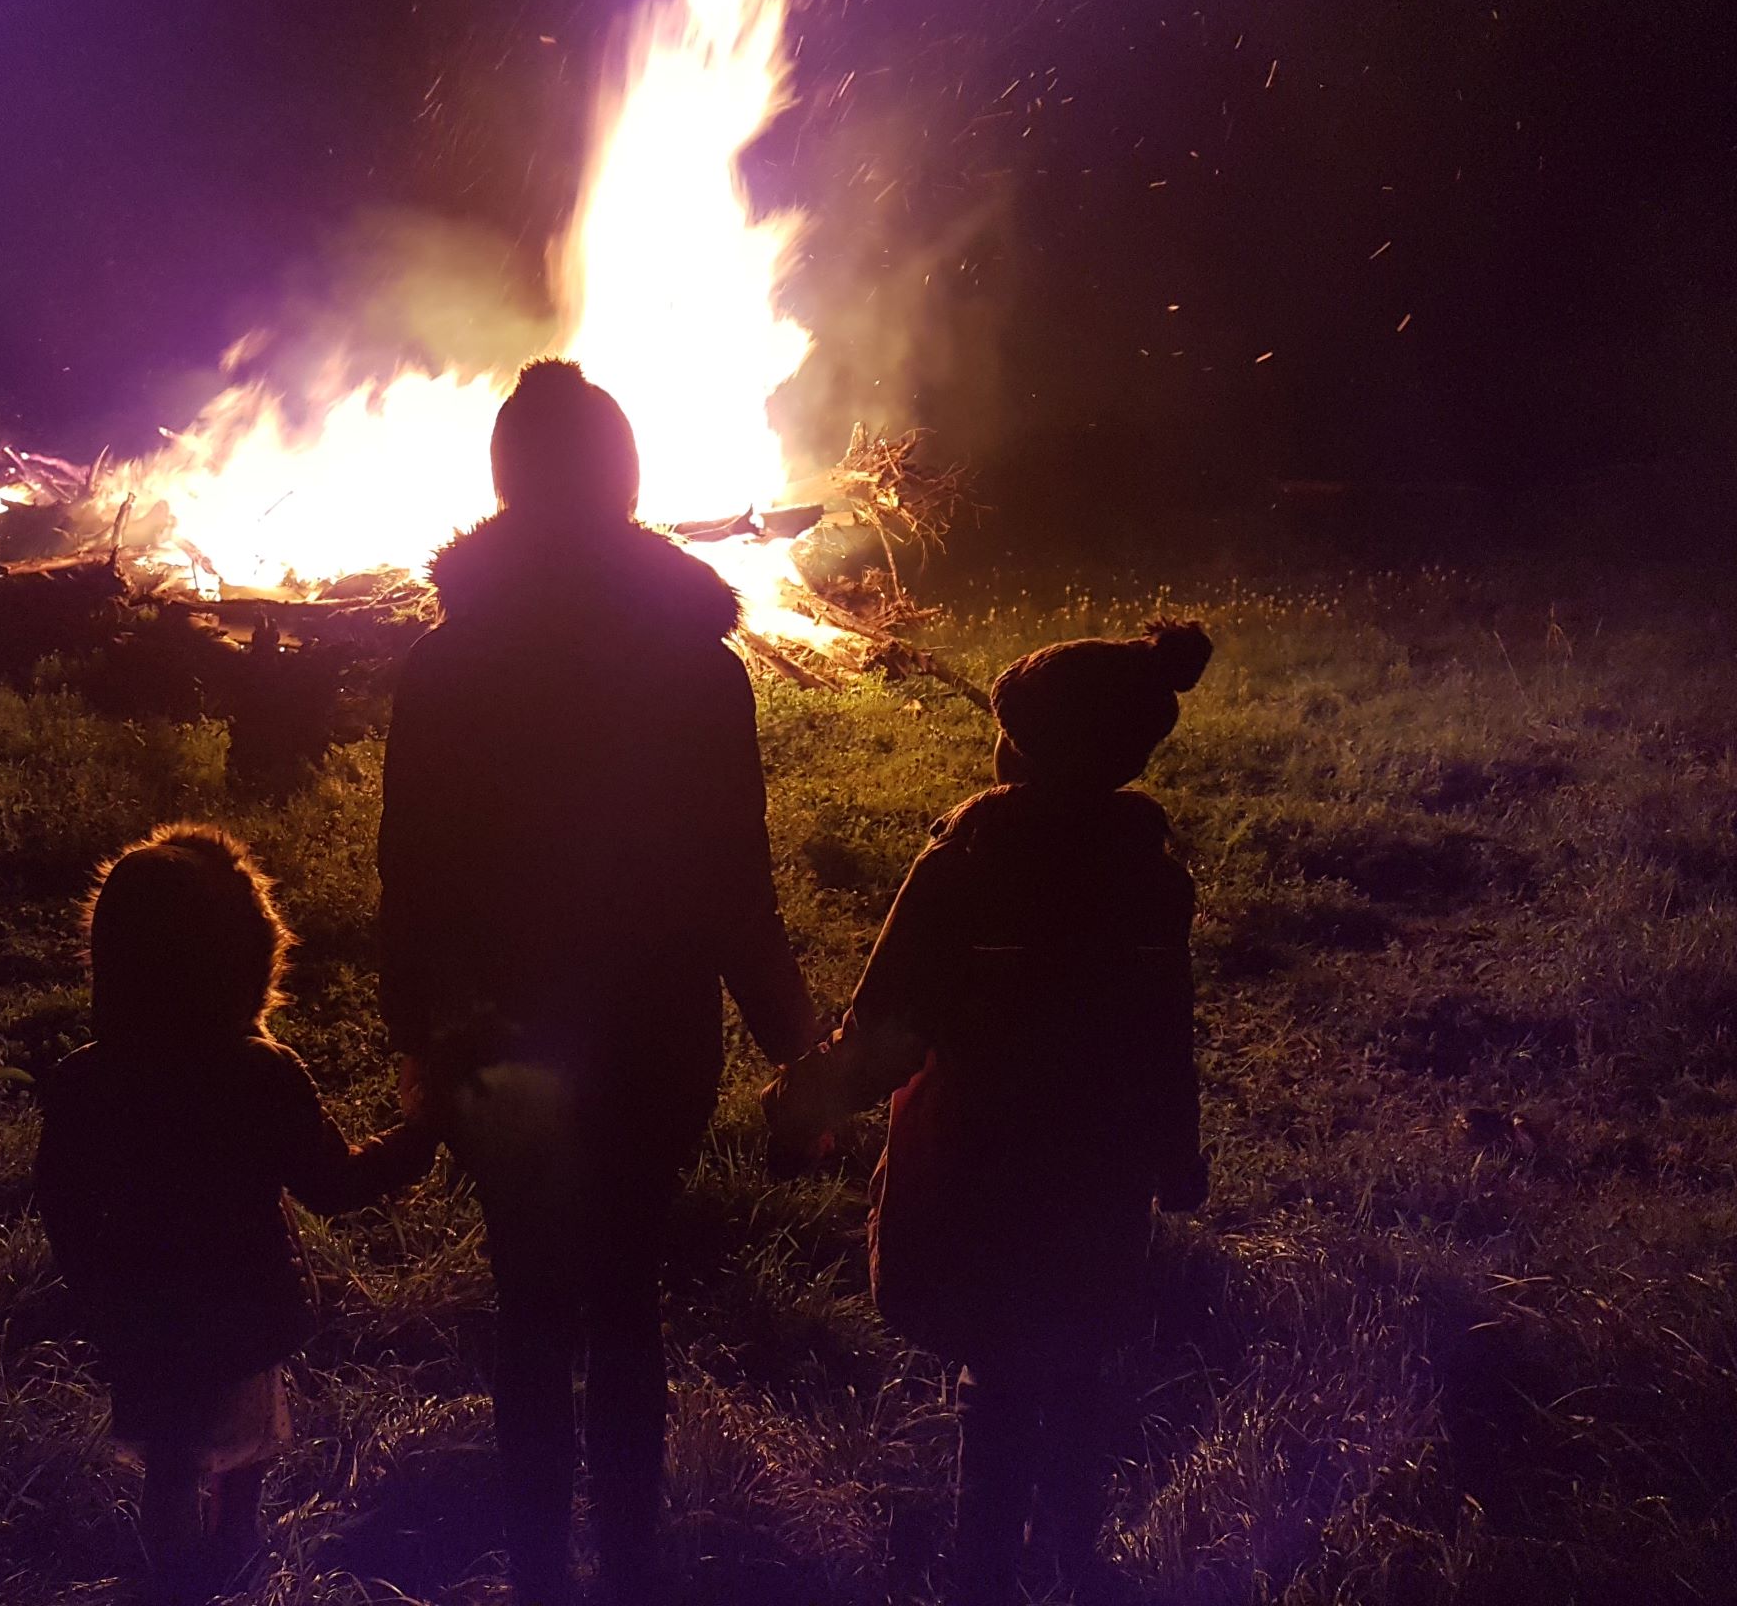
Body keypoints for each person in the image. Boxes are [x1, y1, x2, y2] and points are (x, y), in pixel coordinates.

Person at [378, 358, 816, 1605]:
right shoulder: (695, 668)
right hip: (651, 1037)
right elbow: (739, 884)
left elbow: (408, 879)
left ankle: (536, 1571)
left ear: (504, 487)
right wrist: (800, 1047)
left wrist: (426, 1035)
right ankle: (626, 1564)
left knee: (528, 1303)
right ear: (628, 484)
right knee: (628, 1298)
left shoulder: (445, 667)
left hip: (503, 1037)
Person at [765, 621, 1214, 1603]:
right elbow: (1162, 1030)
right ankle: (1075, 1554)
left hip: (975, 1160)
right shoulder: (1150, 875)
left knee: (998, 1373)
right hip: (1097, 1168)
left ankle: (984, 1570)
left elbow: (886, 1021)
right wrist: (1173, 1155)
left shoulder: (965, 864)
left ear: (1024, 746)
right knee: (1077, 1358)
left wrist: (805, 1103)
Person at [34, 824, 437, 1602]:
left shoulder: (83, 1078)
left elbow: (62, 1200)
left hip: (139, 1309)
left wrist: (96, 1288)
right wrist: (420, 1137)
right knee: (245, 1452)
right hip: (243, 1308)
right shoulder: (260, 1071)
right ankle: (233, 1565)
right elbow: (333, 1183)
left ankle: (171, 1582)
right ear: (244, 953)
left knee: (169, 1461)